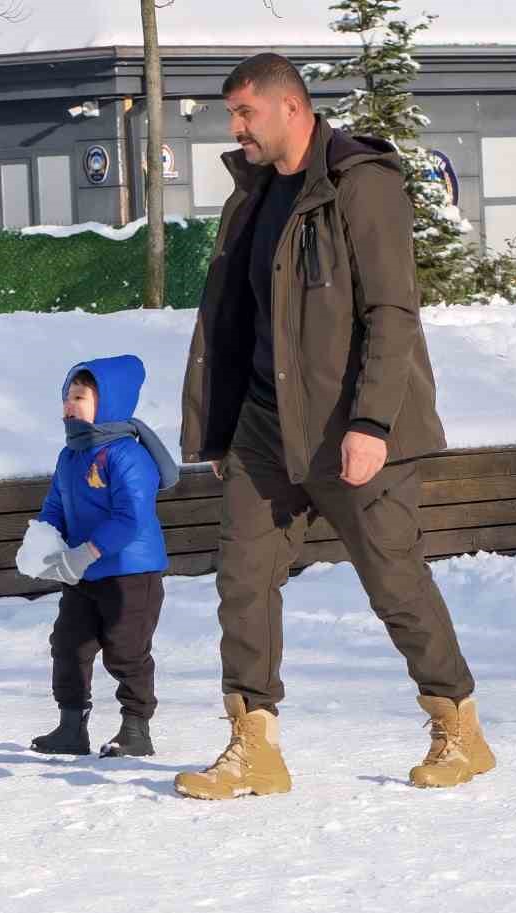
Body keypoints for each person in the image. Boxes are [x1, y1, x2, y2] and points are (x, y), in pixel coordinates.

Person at [175, 53, 496, 800]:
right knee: (242, 576)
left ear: (290, 108)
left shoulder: (361, 181)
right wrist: (219, 429)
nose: (235, 129)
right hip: (263, 422)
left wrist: (373, 421)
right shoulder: (252, 195)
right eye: (232, 116)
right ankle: (253, 745)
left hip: (350, 422)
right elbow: (230, 319)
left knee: (394, 579)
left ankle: (459, 729)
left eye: (244, 113)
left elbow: (391, 310)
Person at [27, 355, 179, 759]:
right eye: (67, 396)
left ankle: (135, 729)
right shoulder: (70, 456)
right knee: (68, 643)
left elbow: (131, 518)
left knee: (125, 648)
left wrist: (87, 552)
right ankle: (71, 727)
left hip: (130, 572)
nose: (70, 404)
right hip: (83, 572)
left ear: (107, 403)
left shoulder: (127, 455)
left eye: (80, 396)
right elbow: (55, 505)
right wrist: (42, 541)